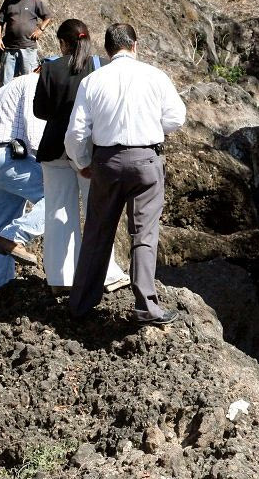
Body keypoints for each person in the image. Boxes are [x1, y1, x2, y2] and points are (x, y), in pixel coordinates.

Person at [65, 23, 186, 325]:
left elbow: (76, 131)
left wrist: (82, 162)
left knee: (97, 231)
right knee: (144, 233)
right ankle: (146, 305)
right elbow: (176, 116)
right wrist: (153, 131)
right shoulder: (155, 76)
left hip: (106, 161)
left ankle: (81, 304)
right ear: (135, 45)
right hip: (146, 159)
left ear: (107, 50)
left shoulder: (93, 81)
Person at [33, 19, 129, 294]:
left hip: (54, 149)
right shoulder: (100, 66)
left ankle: (61, 280)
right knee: (97, 213)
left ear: (63, 43)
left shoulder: (50, 67)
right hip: (90, 150)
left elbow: (40, 110)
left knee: (57, 212)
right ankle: (107, 275)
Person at [0, 71, 46, 291]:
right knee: (59, 197)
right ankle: (16, 235)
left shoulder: (3, 89)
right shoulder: (34, 83)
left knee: (0, 231)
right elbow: (34, 133)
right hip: (9, 158)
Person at [0, 0, 52, 87]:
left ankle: (28, 103)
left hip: (28, 47)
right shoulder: (8, 1)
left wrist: (40, 29)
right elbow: (0, 22)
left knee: (29, 80)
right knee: (5, 81)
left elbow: (48, 17)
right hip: (10, 48)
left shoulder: (34, 1)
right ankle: (3, 103)